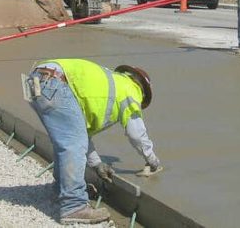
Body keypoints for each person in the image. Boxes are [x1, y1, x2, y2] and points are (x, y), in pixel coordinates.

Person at [25, 59, 161, 225]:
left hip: (37, 80)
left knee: (68, 141)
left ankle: (63, 191)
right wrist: (152, 161)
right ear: (142, 90)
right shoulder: (131, 90)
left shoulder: (109, 83)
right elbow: (137, 135)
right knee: (71, 144)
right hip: (55, 82)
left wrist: (97, 165)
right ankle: (73, 205)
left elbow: (80, 135)